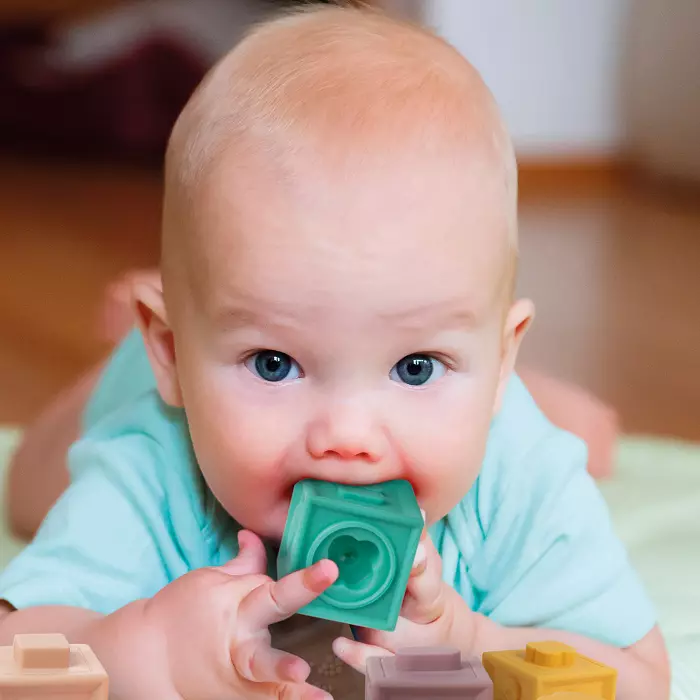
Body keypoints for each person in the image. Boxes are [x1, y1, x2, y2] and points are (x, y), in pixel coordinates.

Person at [0, 5, 669, 700]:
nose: (347, 437)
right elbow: (16, 647)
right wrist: (145, 649)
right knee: (31, 484)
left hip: (479, 391)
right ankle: (123, 358)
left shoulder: (517, 474)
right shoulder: (153, 467)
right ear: (171, 349)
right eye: (273, 363)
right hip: (144, 389)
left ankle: (498, 379)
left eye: (416, 366)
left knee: (586, 439)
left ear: (500, 362)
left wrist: (474, 643)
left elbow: (641, 679)